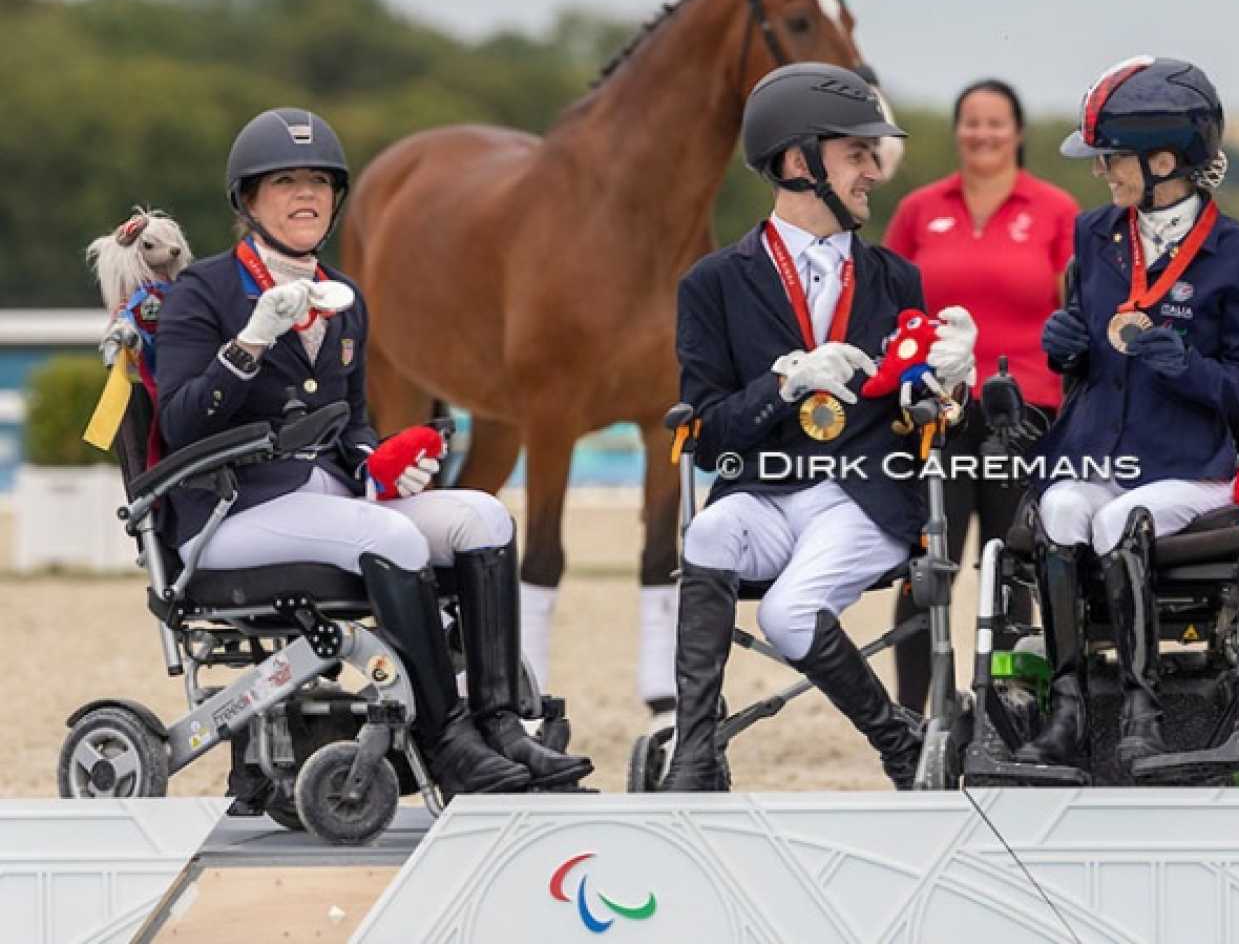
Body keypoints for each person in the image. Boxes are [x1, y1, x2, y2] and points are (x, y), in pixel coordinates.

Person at [154, 107, 592, 801]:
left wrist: (378, 463)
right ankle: (443, 740)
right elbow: (178, 423)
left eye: (319, 184)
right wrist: (250, 342)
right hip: (229, 511)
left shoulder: (345, 298)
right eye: (285, 182)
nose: (306, 196)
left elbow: (351, 425)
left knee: (483, 517)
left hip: (323, 497)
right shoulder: (202, 292)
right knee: (387, 533)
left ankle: (500, 722)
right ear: (248, 200)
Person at [662, 63, 979, 791]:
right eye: (855, 153)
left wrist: (951, 381)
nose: (872, 171)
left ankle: (894, 738)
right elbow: (707, 435)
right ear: (799, 162)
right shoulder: (711, 284)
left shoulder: (897, 278)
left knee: (787, 613)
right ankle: (696, 750)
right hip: (766, 494)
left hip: (864, 498)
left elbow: (923, 416)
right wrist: (782, 383)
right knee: (706, 534)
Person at [1015, 57, 1239, 776]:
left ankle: (1141, 710)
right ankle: (1066, 710)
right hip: (1102, 455)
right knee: (1062, 504)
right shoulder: (1093, 236)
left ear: (1164, 161)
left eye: (1112, 159)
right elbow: (1088, 351)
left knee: (1110, 521)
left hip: (1188, 466)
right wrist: (1067, 348)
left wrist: (1182, 365)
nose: (1102, 173)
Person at [883, 79, 1079, 712]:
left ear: (1017, 132)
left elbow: (1074, 311)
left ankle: (1007, 709)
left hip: (1021, 414)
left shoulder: (1053, 210)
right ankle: (915, 717)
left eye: (996, 123)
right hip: (934, 412)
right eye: (971, 122)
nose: (983, 134)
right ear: (956, 131)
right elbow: (890, 309)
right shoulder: (918, 209)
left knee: (1010, 567)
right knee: (923, 567)